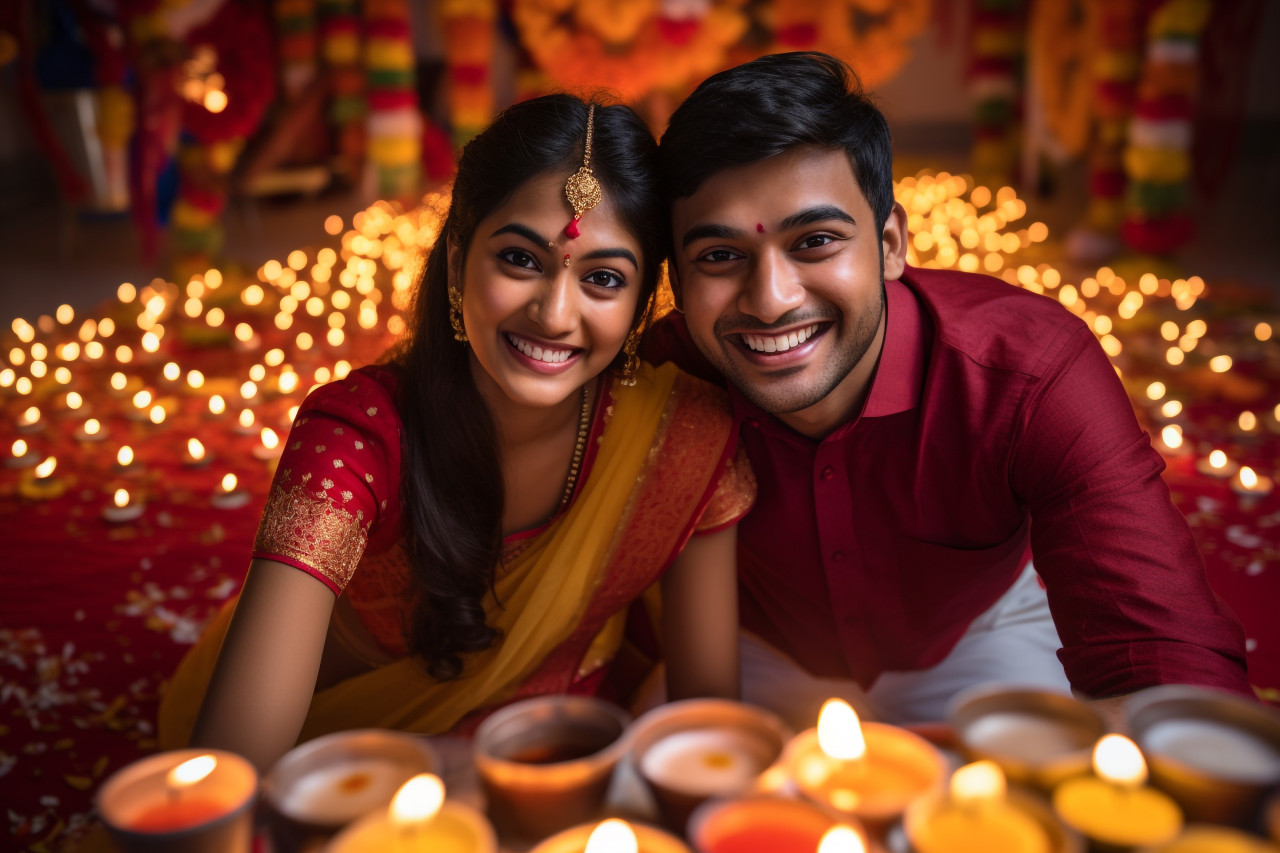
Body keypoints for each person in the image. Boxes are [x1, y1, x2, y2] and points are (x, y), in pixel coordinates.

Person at [646, 51, 1251, 728]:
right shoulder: (663, 378)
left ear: (891, 244)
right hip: (751, 650)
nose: (771, 299)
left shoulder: (1028, 374)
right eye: (720, 256)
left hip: (976, 639)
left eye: (815, 240)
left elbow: (1167, 662)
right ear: (677, 277)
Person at [159, 94, 753, 772]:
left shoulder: (678, 440)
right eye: (520, 260)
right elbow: (237, 767)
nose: (556, 314)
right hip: (344, 772)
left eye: (604, 278)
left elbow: (713, 730)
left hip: (557, 766)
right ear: (456, 261)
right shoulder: (357, 437)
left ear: (641, 304)